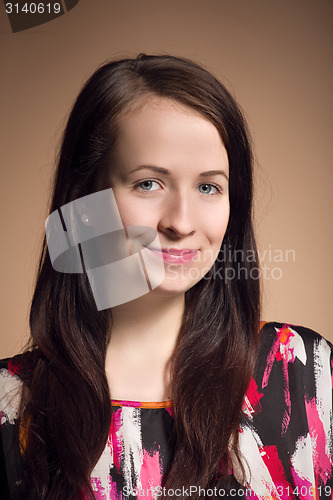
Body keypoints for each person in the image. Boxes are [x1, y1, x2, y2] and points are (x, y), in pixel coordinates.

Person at [0, 54, 332, 500]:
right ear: (85, 199)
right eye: (148, 184)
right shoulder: (10, 405)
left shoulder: (303, 372)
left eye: (208, 187)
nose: (180, 222)